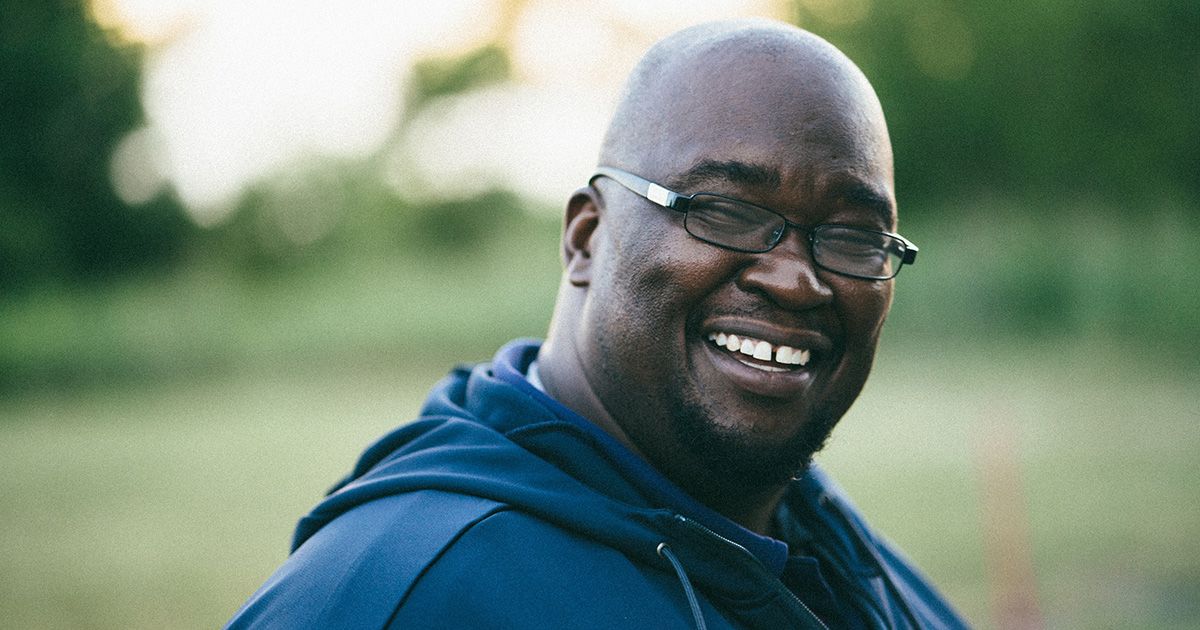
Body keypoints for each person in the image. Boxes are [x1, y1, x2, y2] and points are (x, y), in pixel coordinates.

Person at [227, 18, 967, 630]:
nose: (797, 279)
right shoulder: (395, 593)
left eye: (852, 235)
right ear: (586, 238)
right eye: (725, 212)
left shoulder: (845, 559)